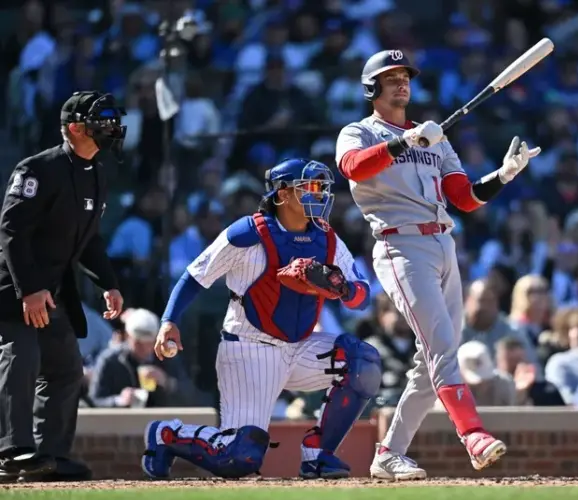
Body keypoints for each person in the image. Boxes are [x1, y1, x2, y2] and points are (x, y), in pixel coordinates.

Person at [335, 49, 541, 479]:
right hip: (400, 246)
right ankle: (473, 436)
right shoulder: (360, 131)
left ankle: (389, 453)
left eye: (405, 76)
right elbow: (351, 167)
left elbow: (463, 197)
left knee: (430, 363)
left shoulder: (434, 138)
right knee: (443, 350)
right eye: (391, 77)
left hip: (443, 244)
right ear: (371, 87)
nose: (401, 83)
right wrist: (405, 142)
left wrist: (502, 176)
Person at [141, 158, 380, 480]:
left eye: (322, 188)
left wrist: (342, 288)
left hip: (300, 347)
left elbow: (362, 297)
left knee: (363, 360)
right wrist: (169, 320)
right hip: (250, 347)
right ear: (281, 193)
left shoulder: (327, 237)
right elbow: (195, 276)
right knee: (239, 458)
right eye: (309, 187)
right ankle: (167, 435)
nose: (320, 195)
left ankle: (318, 454)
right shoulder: (248, 233)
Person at [0, 91, 125, 481]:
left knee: (66, 369)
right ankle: (12, 451)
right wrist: (30, 289)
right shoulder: (37, 169)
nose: (111, 128)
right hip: (14, 290)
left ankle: (49, 457)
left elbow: (88, 239)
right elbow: (12, 231)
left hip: (52, 293)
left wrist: (109, 283)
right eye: (100, 122)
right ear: (74, 128)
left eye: (111, 121)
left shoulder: (98, 172)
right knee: (20, 360)